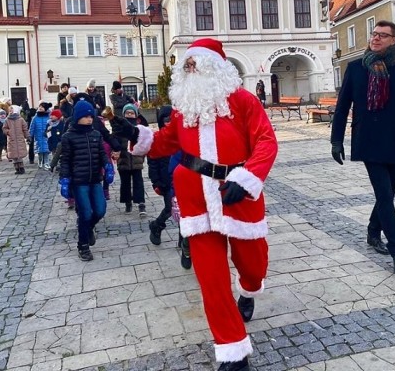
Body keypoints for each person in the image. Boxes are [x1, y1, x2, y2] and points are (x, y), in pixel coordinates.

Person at [119, 38, 278, 371]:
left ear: (215, 67)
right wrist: (138, 135)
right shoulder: (183, 109)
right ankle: (233, 352)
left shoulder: (244, 101)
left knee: (253, 263)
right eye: (186, 64)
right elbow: (166, 142)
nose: (189, 69)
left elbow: (266, 141)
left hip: (236, 193)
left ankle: (249, 291)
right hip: (195, 197)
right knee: (211, 279)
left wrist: (246, 178)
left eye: (195, 63)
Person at [330, 20, 395, 277]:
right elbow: (342, 106)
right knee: (384, 195)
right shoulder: (357, 68)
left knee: (387, 195)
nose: (376, 38)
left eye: (383, 35)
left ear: (394, 40)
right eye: (374, 34)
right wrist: (336, 140)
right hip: (368, 140)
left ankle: (373, 231)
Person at [59, 100, 111, 261]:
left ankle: (88, 228)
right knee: (85, 213)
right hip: (79, 181)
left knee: (100, 209)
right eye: (86, 116)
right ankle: (83, 246)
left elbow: (101, 153)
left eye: (91, 116)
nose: (89, 119)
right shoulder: (69, 136)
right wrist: (65, 179)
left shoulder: (95, 134)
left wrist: (107, 166)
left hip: (95, 179)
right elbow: (65, 160)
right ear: (78, 117)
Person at [147, 105, 191, 269]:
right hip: (165, 182)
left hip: (180, 180)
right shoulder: (158, 140)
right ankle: (157, 226)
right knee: (169, 209)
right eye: (165, 121)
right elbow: (152, 163)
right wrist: (156, 182)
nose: (168, 123)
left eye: (170, 120)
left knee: (183, 210)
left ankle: (183, 239)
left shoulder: (180, 137)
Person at [116, 103, 147, 216]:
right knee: (125, 183)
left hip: (136, 159)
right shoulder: (119, 127)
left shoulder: (139, 128)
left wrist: (142, 155)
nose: (129, 114)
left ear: (136, 114)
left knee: (138, 182)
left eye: (132, 112)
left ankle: (141, 203)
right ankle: (127, 202)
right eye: (127, 113)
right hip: (123, 159)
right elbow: (115, 142)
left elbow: (145, 142)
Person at [3, 105, 29, 174]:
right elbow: (4, 128)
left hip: (19, 139)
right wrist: (8, 132)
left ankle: (21, 168)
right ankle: (17, 168)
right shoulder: (7, 120)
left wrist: (27, 136)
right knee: (14, 154)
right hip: (11, 140)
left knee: (19, 154)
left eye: (12, 109)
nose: (10, 110)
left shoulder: (20, 119)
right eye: (9, 109)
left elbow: (25, 129)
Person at [30, 102, 51, 169]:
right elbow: (32, 127)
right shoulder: (35, 118)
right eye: (40, 107)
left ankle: (46, 163)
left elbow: (51, 126)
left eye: (42, 107)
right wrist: (30, 136)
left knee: (46, 150)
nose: (40, 108)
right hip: (38, 136)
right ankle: (40, 162)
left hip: (46, 136)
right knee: (40, 151)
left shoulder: (48, 117)